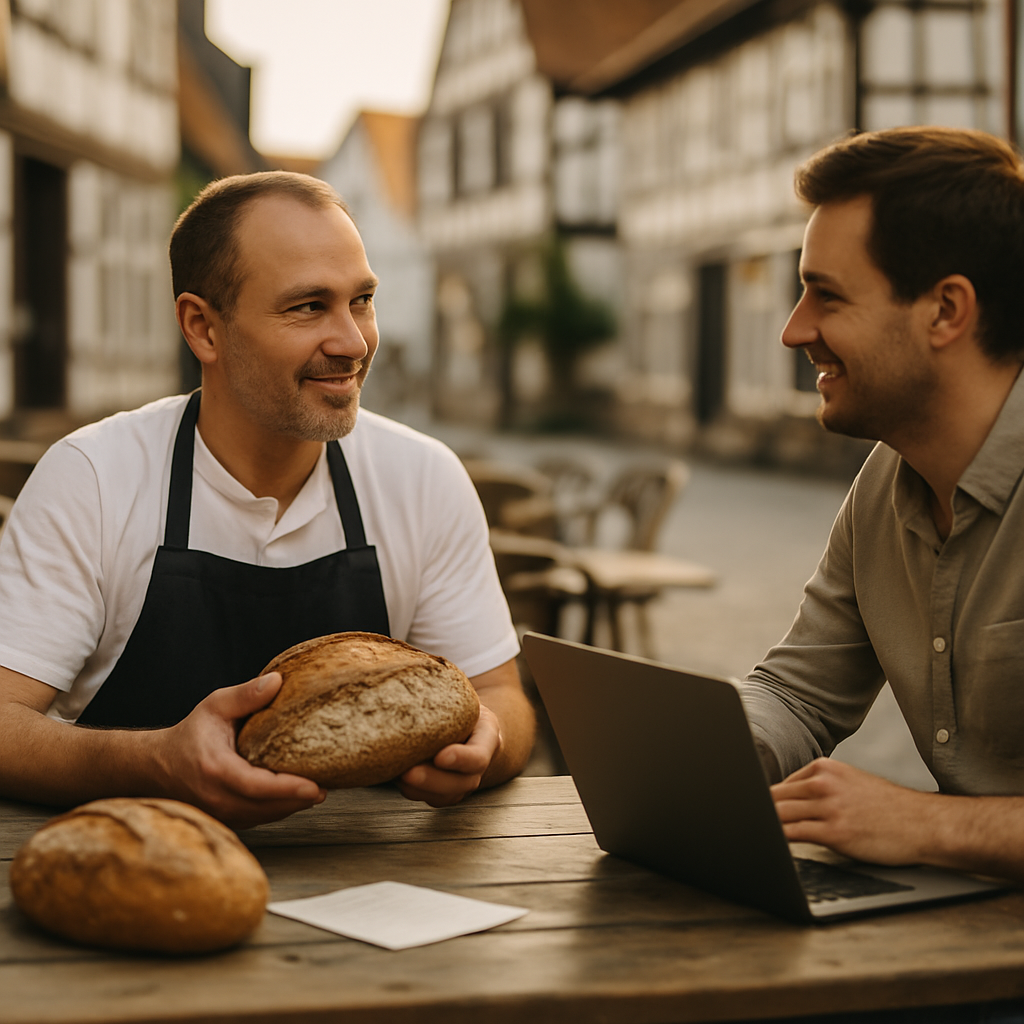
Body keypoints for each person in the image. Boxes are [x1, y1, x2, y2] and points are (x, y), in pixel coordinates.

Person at [0, 172, 534, 828]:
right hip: (145, 871)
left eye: (361, 300)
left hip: (374, 881)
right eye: (309, 306)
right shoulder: (94, 478)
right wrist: (155, 761)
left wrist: (489, 742)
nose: (354, 341)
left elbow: (501, 695)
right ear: (203, 328)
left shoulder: (424, 478)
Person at [740, 125, 1024, 885]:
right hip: (966, 939)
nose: (794, 330)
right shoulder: (886, 479)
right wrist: (698, 753)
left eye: (826, 295)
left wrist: (924, 822)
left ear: (945, 311)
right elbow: (798, 694)